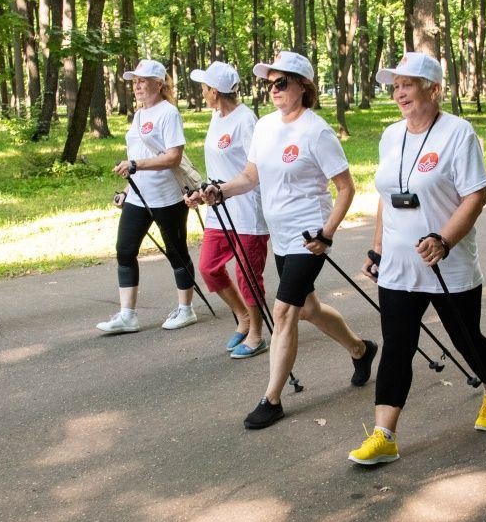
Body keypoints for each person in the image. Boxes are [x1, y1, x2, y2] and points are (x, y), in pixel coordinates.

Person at [190, 51, 376, 430]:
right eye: (269, 83)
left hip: (309, 237)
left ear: (303, 86)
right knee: (308, 308)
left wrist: (327, 233)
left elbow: (345, 188)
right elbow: (249, 177)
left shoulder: (316, 131)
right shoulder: (265, 127)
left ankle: (271, 399)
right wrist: (217, 191)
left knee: (284, 311)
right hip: (281, 237)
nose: (273, 89)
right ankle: (361, 349)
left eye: (281, 82)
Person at [345, 53, 486, 465]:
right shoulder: (389, 135)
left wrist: (445, 239)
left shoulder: (458, 133)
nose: (399, 92)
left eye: (408, 84)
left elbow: (475, 194)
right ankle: (385, 435)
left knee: (466, 339)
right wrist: (376, 247)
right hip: (399, 263)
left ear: (433, 89)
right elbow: (387, 197)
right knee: (399, 346)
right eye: (395, 85)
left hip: (448, 262)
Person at [98, 58, 199, 334]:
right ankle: (127, 315)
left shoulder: (168, 113)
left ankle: (186, 309)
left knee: (176, 252)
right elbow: (137, 156)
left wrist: (136, 166)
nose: (137, 85)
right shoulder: (139, 115)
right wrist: (128, 189)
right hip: (139, 196)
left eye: (143, 80)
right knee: (125, 250)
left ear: (158, 83)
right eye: (134, 81)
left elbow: (173, 157)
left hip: (167, 196)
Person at [189, 61, 270, 357]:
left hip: (247, 209)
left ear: (214, 90)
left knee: (247, 275)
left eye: (204, 87)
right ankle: (243, 317)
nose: (201, 92)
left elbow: (256, 169)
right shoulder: (215, 116)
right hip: (218, 209)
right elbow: (218, 166)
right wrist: (203, 192)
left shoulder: (246, 121)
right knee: (209, 267)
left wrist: (223, 190)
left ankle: (257, 334)